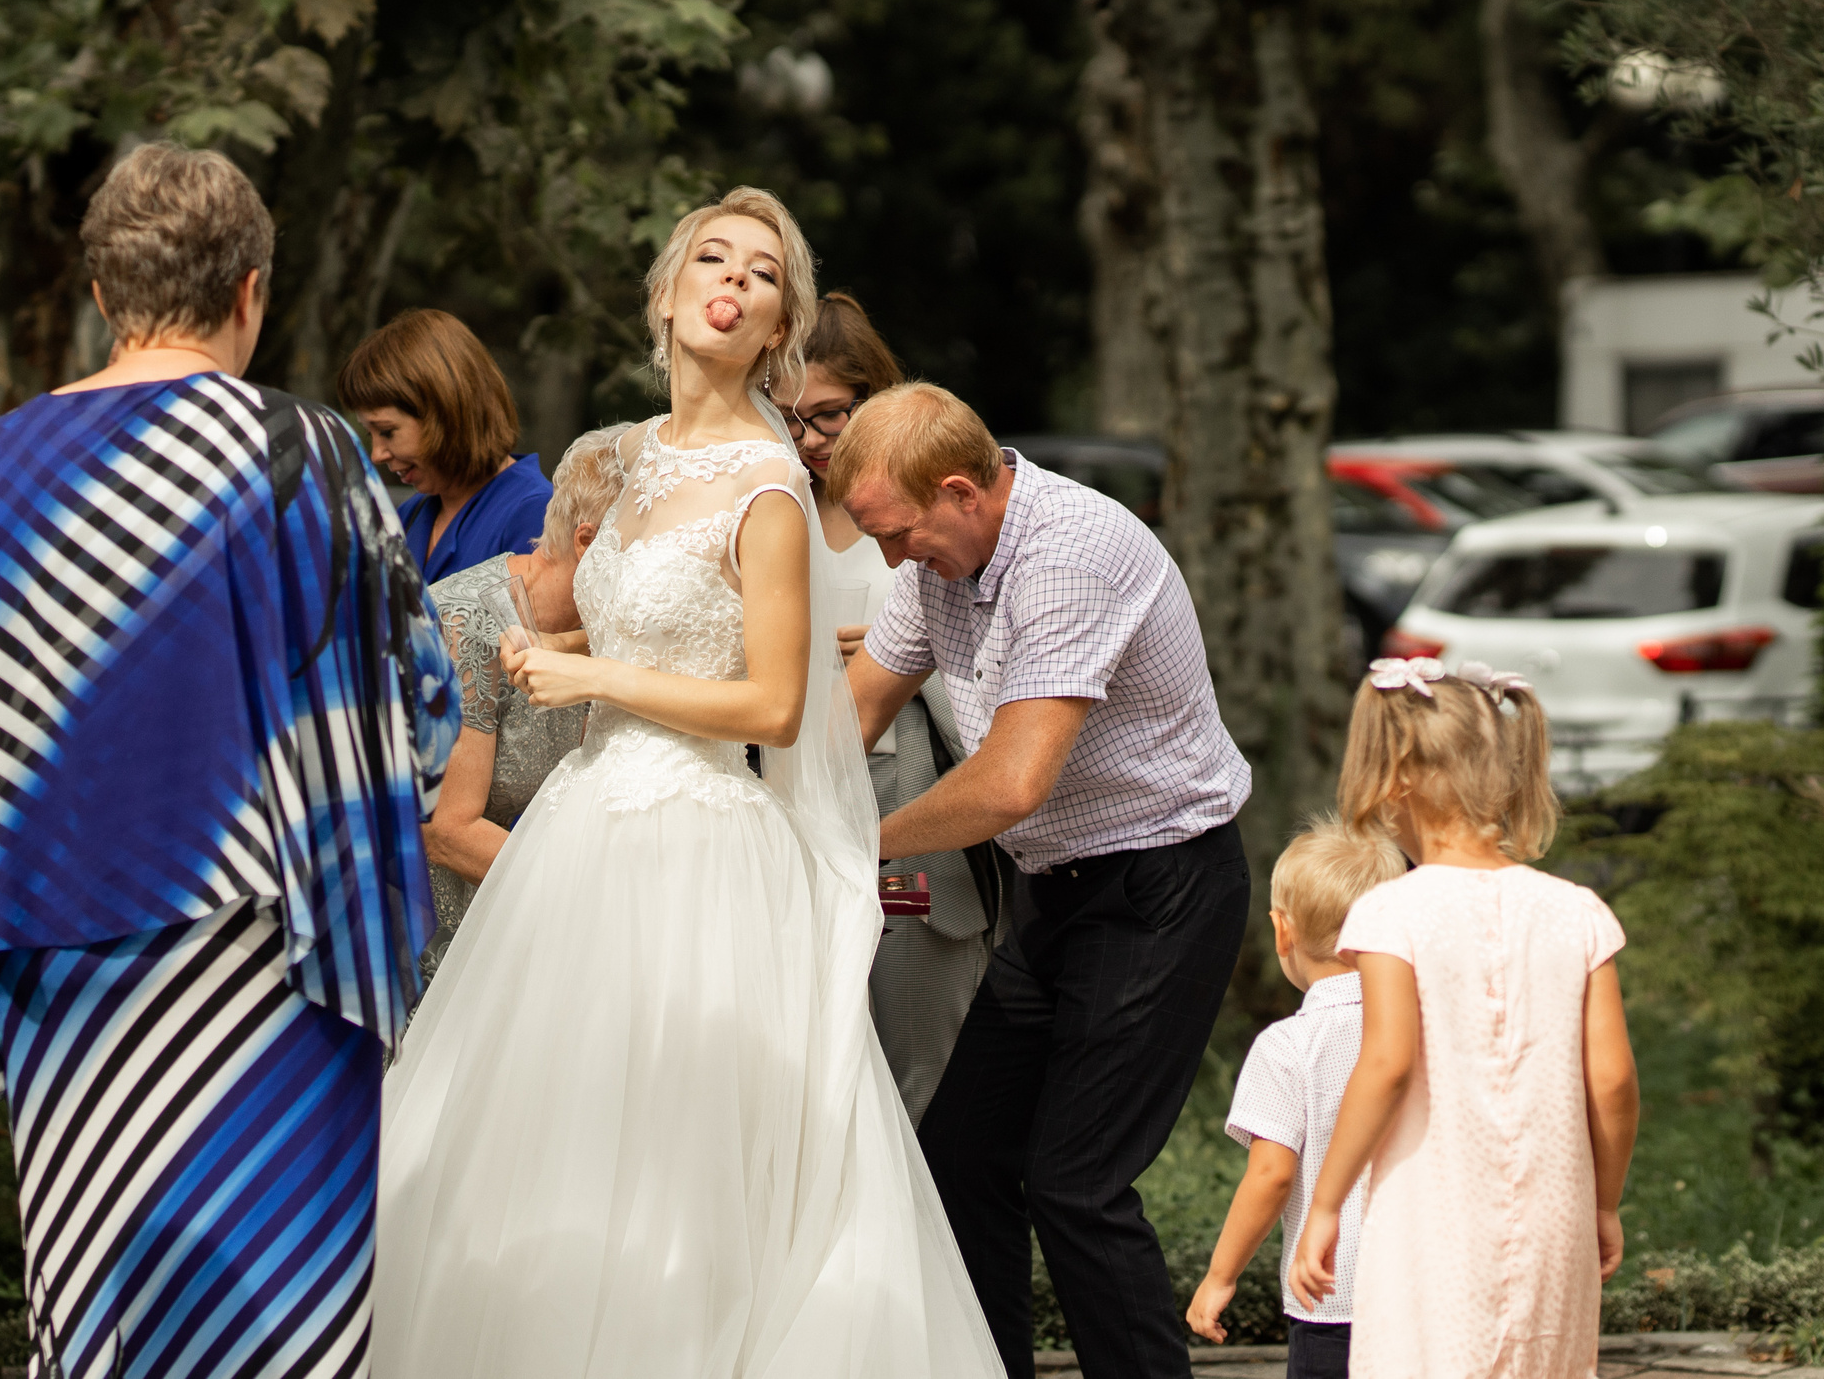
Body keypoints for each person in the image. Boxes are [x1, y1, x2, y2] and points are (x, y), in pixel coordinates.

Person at [374, 188, 999, 1378]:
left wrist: (593, 670)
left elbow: (772, 703)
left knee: (676, 1161)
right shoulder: (632, 460)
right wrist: (557, 656)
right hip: (585, 834)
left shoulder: (769, 482)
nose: (734, 279)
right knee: (541, 1145)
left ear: (776, 328)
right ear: (665, 296)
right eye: (710, 258)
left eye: (763, 274)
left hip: (699, 839)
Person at [0, 143, 456, 1379]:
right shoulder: (304, 453)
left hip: (68, 968)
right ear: (251, 291)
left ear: (103, 295)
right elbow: (414, 705)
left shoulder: (4, 463)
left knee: (99, 1311)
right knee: (279, 1317)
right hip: (277, 963)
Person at [831, 381, 1254, 1379]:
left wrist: (860, 843)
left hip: (1160, 887)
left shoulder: (1067, 555)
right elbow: (850, 716)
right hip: (1055, 893)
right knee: (964, 1155)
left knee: (1077, 1182)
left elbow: (1011, 781)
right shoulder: (942, 560)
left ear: (957, 491)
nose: (891, 560)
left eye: (896, 535)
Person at [1290, 658, 1640, 1379]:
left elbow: (1385, 1066)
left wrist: (1326, 1205)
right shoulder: (1578, 912)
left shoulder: (1391, 911)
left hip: (1432, 1220)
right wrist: (1603, 1204)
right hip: (1554, 1220)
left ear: (1392, 780)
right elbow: (1612, 1080)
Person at [791, 293, 998, 1125]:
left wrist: (904, 656)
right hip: (809, 780)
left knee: (921, 1052)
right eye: (791, 419)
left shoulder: (933, 506)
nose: (810, 440)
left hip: (918, 787)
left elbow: (1002, 676)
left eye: (830, 414)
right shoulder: (775, 506)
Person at [1185, 820, 1407, 1374]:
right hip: (1433, 1292)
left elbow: (1272, 1175)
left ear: (1282, 932)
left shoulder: (1288, 1045)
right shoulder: (1427, 1027)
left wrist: (1221, 1275)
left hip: (1334, 1292)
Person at [419, 422, 632, 975]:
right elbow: (448, 831)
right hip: (432, 939)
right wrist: (603, 908)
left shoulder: (606, 632)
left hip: (518, 924)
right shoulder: (465, 624)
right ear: (589, 542)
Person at [338, 307, 554, 582]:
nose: (377, 454)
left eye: (387, 431)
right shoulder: (410, 515)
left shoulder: (536, 514)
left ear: (446, 413)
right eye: (371, 435)